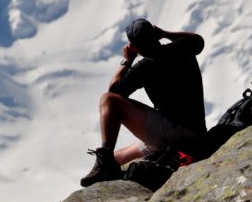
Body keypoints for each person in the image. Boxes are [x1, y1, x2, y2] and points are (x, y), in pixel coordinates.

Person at [80, 18, 207, 187]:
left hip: (177, 135)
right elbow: (198, 40)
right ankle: (105, 169)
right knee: (117, 158)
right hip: (195, 132)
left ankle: (105, 167)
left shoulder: (145, 66)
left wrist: (127, 60)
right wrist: (164, 34)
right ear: (154, 35)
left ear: (135, 47)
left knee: (108, 101)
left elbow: (113, 92)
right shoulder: (182, 47)